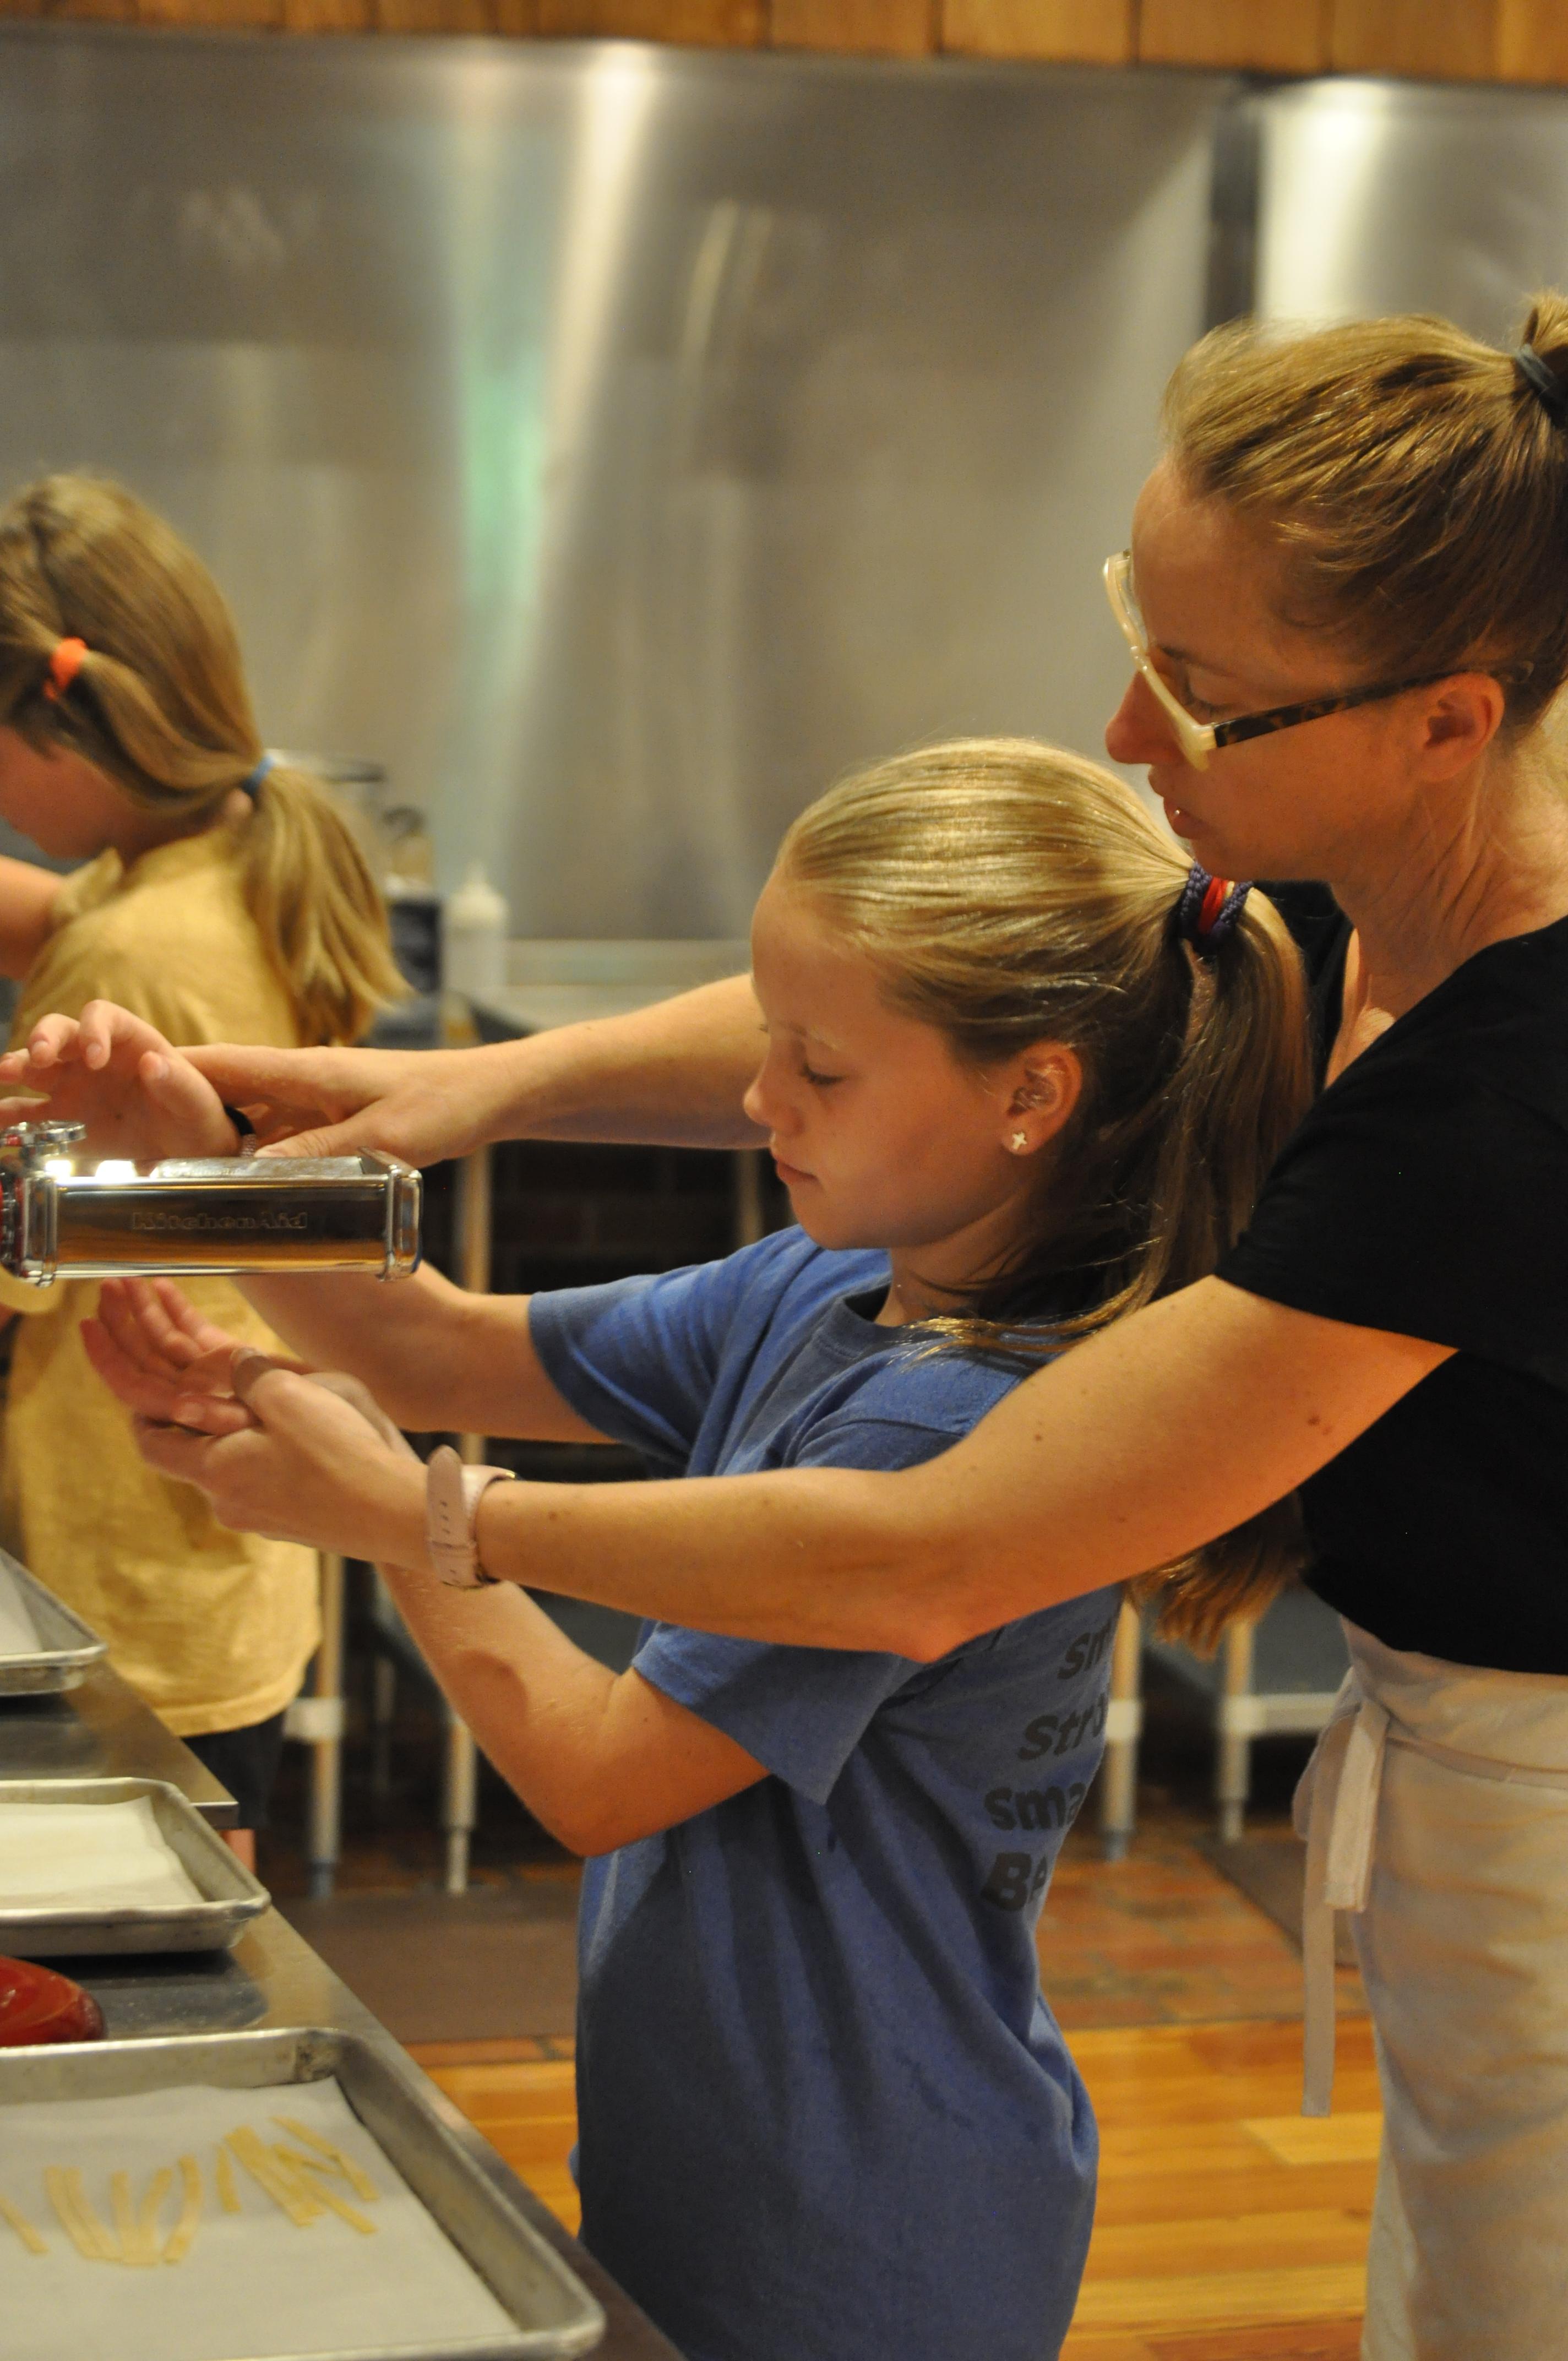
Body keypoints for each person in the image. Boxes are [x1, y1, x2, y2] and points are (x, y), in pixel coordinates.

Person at [14, 297, 1568, 2357]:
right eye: (1139, 639)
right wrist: (392, 1114)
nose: (1126, 734)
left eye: (1199, 696)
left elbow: (918, 1553)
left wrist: (421, 1517)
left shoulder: (1489, 1100)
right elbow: (851, 1033)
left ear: (1445, 720)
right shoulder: (1246, 932)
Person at [75, 740, 1308, 2361]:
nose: (753, 1098)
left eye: (819, 1066)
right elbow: (436, 1351)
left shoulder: (946, 1416)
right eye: (765, 1036)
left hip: (863, 2225)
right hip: (731, 2161)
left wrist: (387, 1515)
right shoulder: (825, 1278)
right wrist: (200, 1171)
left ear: (1031, 1093)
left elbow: (600, 1771)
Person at [0, 474, 401, 1858]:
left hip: (119, 1556)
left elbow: (21, 1260)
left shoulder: (125, 954)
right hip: (218, 1547)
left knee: (128, 1933)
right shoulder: (224, 855)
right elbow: (68, 915)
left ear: (61, 724)